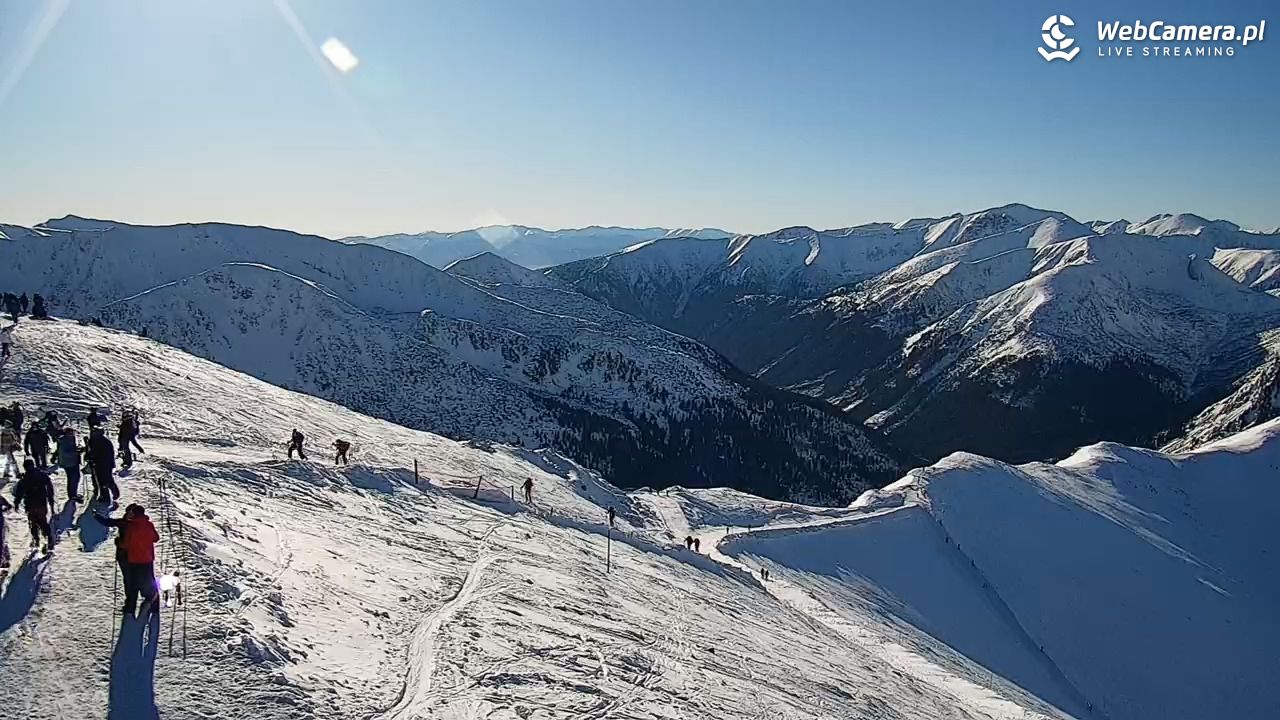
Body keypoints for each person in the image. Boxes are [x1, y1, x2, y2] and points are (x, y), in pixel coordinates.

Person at [96, 504, 160, 618]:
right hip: (148, 559)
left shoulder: (131, 527)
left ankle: (130, 608)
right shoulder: (148, 524)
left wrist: (117, 542)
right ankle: (154, 605)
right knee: (149, 582)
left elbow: (125, 545)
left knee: (131, 584)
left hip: (134, 560)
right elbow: (155, 538)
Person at [13, 459, 56, 551]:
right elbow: (49, 487)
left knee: (33, 523)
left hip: (30, 504)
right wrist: (51, 501)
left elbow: (19, 493)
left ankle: (36, 540)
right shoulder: (42, 475)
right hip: (41, 503)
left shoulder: (24, 479)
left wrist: (16, 503)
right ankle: (49, 538)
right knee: (43, 521)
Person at [87, 428, 119, 505]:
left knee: (103, 481)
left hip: (103, 464)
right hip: (103, 464)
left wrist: (92, 457)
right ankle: (115, 492)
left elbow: (98, 454)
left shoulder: (101, 442)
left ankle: (106, 497)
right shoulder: (98, 441)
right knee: (108, 479)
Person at [57, 428, 83, 501]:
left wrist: (77, 450)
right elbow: (64, 453)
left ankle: (73, 494)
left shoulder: (72, 439)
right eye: (71, 432)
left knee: (75, 478)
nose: (73, 434)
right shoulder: (64, 440)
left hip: (73, 461)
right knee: (73, 479)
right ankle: (72, 495)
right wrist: (75, 452)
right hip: (69, 463)